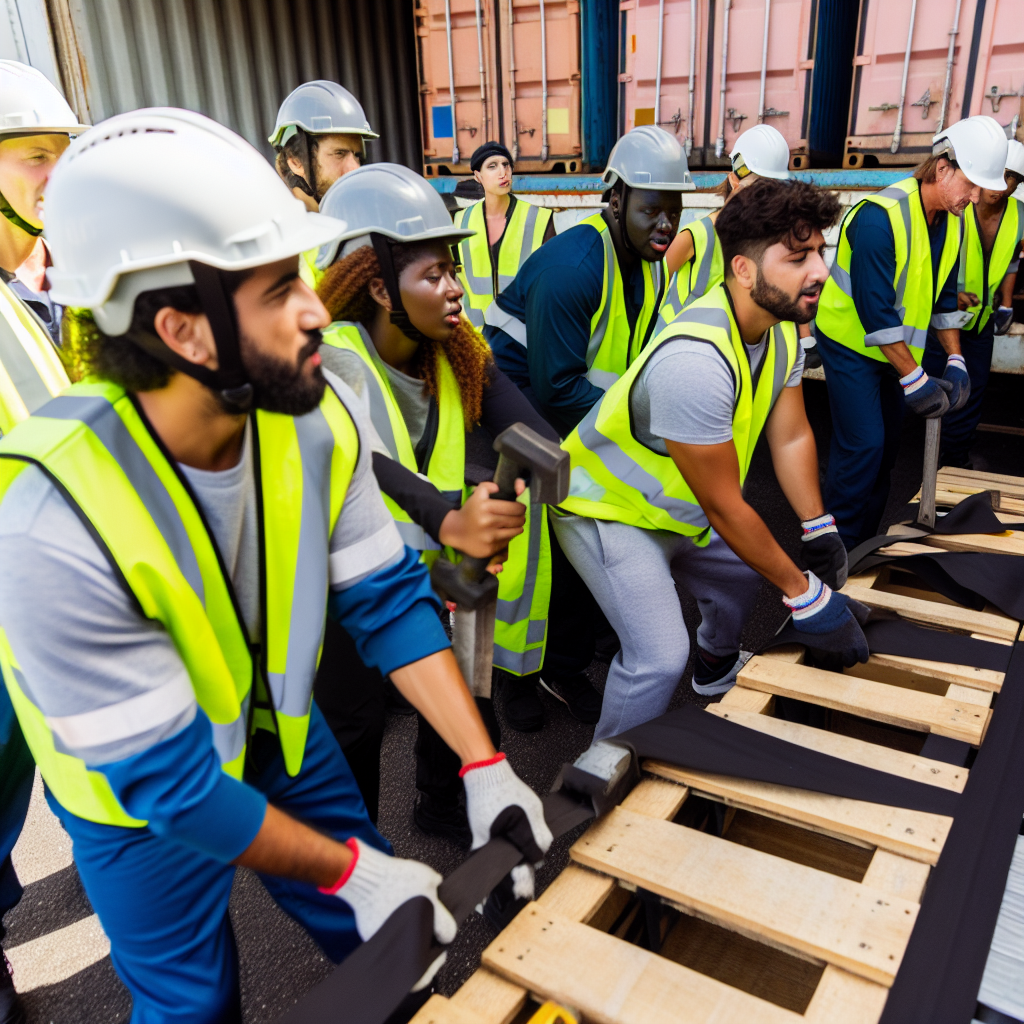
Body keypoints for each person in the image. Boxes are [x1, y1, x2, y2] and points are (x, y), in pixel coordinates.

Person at [0, 109, 551, 1022]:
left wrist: (482, 763)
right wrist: (351, 868)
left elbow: (388, 602)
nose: (316, 308)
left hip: (277, 734)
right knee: (193, 1004)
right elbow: (174, 786)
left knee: (391, 940)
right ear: (183, 331)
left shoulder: (313, 416)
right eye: (276, 288)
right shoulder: (50, 517)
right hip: (136, 805)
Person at [311, 162, 586, 843]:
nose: (456, 288)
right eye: (434, 274)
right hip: (342, 574)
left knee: (468, 685)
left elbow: (540, 441)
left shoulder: (456, 349)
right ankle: (357, 859)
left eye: (453, 270)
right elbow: (361, 461)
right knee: (354, 723)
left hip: (434, 565)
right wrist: (451, 516)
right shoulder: (330, 356)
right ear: (378, 284)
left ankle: (441, 805)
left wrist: (503, 493)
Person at [555, 178, 864, 740]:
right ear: (743, 270)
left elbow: (791, 436)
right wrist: (807, 596)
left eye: (820, 251)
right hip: (608, 509)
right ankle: (597, 775)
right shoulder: (696, 362)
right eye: (798, 257)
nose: (821, 270)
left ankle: (715, 666)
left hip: (679, 506)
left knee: (743, 576)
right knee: (657, 658)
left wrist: (817, 525)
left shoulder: (782, 330)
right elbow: (724, 506)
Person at [483, 125, 692, 729]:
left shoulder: (648, 266)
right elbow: (553, 387)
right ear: (616, 198)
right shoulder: (574, 267)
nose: (665, 224)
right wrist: (638, 437)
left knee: (585, 531)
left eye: (674, 209)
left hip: (573, 408)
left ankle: (564, 661)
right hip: (514, 410)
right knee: (528, 554)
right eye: (651, 208)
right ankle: (513, 678)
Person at [813, 115, 1009, 548]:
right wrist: (915, 379)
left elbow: (943, 299)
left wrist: (955, 359)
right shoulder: (879, 219)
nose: (977, 198)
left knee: (885, 452)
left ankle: (861, 547)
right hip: (850, 345)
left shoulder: (954, 219)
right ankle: (831, 552)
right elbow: (876, 313)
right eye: (972, 185)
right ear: (942, 168)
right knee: (863, 445)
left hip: (892, 351)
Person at [0, 60, 87, 1024]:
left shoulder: (45, 290)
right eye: (33, 156)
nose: (56, 175)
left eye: (65, 153)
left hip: (51, 608)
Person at [921, 139, 1024, 468]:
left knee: (971, 393)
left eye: (1011, 178)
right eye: (998, 173)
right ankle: (928, 462)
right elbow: (929, 258)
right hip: (943, 318)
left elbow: (1012, 261)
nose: (1001, 184)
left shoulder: (1019, 214)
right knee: (933, 389)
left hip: (981, 321)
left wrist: (1006, 304)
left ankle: (955, 462)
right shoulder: (958, 203)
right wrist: (950, 296)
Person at [662, 123, 791, 323]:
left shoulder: (770, 238)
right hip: (681, 337)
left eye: (775, 191)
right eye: (760, 189)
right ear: (734, 181)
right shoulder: (697, 235)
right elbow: (654, 286)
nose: (768, 199)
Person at [269, 80, 379, 287]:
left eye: (357, 155)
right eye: (339, 154)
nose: (354, 168)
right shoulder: (278, 238)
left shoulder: (359, 218)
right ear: (296, 162)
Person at [453, 142, 554, 328]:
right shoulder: (460, 221)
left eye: (506, 165)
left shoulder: (538, 218)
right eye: (492, 166)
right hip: (477, 335)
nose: (503, 173)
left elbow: (553, 283)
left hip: (523, 334)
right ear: (478, 176)